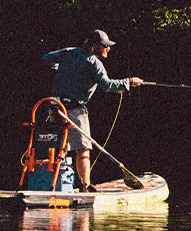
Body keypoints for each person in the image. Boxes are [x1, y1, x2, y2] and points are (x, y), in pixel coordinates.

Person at [41, 29, 144, 191]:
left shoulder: (69, 52)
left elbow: (46, 59)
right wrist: (129, 82)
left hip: (54, 108)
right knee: (83, 150)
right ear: (94, 46)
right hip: (74, 110)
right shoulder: (94, 63)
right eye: (105, 46)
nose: (108, 49)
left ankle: (52, 185)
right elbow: (107, 85)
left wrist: (58, 68)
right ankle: (85, 187)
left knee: (59, 147)